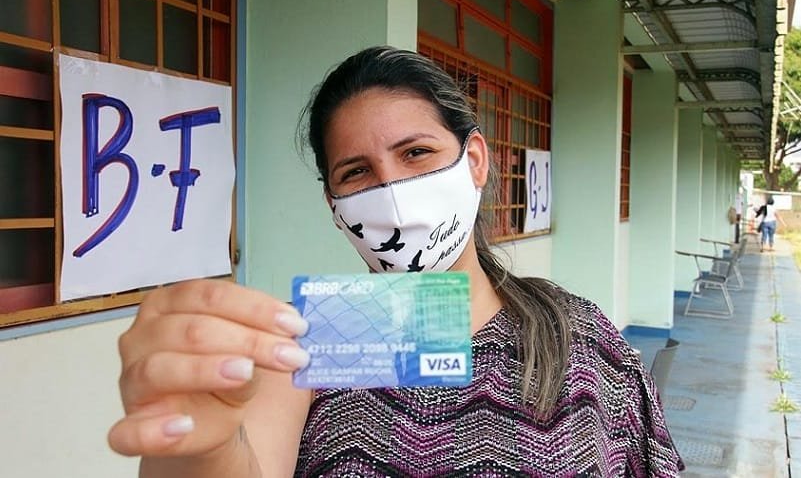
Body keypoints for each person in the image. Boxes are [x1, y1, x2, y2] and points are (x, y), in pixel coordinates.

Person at [108, 46, 683, 476]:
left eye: (416, 153)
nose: (394, 193)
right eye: (356, 172)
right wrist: (200, 444)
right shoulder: (310, 345)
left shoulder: (577, 333)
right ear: (335, 206)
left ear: (475, 160)